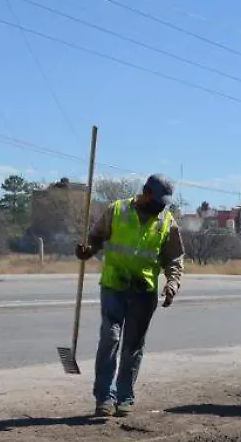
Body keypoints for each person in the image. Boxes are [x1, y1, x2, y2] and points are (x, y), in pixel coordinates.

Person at [75, 174, 184, 418]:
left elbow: (174, 259)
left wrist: (172, 284)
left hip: (144, 291)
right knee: (109, 339)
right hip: (115, 285)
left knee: (133, 346)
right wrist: (87, 251)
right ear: (145, 192)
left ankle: (124, 396)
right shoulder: (117, 210)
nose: (161, 206)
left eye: (164, 203)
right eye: (157, 201)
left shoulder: (167, 221)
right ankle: (104, 397)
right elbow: (96, 238)